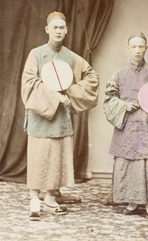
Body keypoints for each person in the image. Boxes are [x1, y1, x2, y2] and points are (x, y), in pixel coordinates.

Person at [21, 11, 99, 220]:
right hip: (41, 114)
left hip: (60, 117)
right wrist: (55, 96)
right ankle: (35, 197)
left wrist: (70, 93)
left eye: (61, 27)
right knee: (39, 155)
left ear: (66, 30)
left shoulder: (71, 57)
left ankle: (50, 196)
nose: (58, 30)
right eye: (54, 27)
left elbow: (92, 77)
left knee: (56, 156)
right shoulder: (35, 54)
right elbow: (29, 83)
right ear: (47, 30)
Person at [103, 32, 148, 220]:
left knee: (147, 162)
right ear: (127, 49)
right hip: (126, 124)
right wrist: (124, 106)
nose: (137, 50)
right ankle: (132, 202)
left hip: (146, 124)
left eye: (140, 46)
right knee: (127, 161)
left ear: (146, 49)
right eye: (133, 46)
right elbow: (109, 98)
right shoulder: (119, 73)